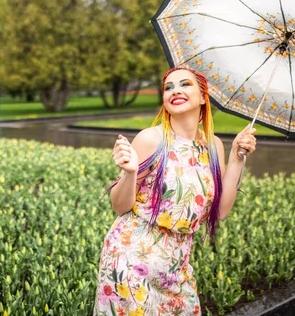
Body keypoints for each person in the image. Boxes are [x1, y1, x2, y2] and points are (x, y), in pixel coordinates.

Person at [93, 66, 257, 315]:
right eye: (168, 87)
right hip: (132, 258)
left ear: (203, 97)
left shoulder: (213, 146)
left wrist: (237, 158)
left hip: (177, 266)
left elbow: (221, 211)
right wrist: (129, 172)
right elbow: (120, 206)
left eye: (185, 84)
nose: (175, 90)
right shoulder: (151, 139)